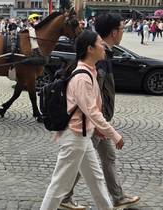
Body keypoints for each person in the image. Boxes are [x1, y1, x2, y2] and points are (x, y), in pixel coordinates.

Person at [59, 13, 140, 210]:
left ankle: (117, 196)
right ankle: (65, 196)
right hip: (93, 124)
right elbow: (94, 99)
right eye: (122, 28)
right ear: (114, 32)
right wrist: (104, 126)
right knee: (83, 162)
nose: (123, 31)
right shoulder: (98, 56)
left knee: (106, 158)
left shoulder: (103, 53)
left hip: (97, 123)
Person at [40, 30, 122, 210]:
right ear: (90, 49)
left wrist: (97, 128)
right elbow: (92, 111)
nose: (104, 46)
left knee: (97, 181)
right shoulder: (83, 77)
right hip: (74, 139)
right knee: (59, 186)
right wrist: (114, 134)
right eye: (100, 43)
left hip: (82, 137)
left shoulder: (89, 72)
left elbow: (89, 112)